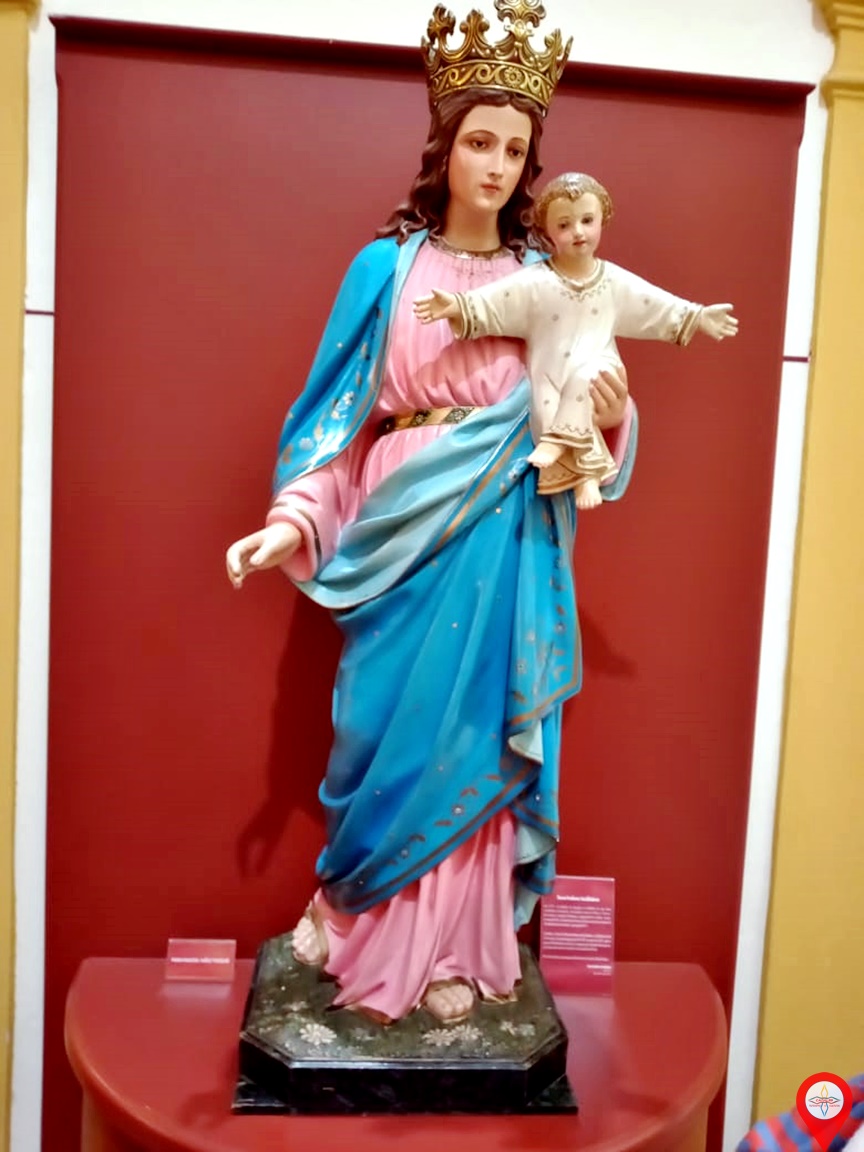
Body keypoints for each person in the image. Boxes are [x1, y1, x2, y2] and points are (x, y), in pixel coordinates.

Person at [225, 0, 637, 1026]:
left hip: (502, 535)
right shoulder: (386, 269)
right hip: (396, 530)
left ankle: (460, 946)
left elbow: (586, 411)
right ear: (446, 146)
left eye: (515, 150)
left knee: (479, 738)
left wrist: (613, 414)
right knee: (379, 734)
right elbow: (334, 422)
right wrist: (293, 519)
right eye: (479, 142)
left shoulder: (547, 281)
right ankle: (355, 920)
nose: (495, 166)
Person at [414, 171, 738, 507]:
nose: (578, 232)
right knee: (546, 406)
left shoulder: (613, 282)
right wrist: (456, 305)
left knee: (585, 380)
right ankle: (584, 477)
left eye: (587, 220)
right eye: (564, 225)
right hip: (549, 371)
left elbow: (655, 305)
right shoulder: (536, 282)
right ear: (548, 231)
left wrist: (698, 316)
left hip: (600, 366)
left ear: (602, 219)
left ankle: (562, 448)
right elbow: (495, 301)